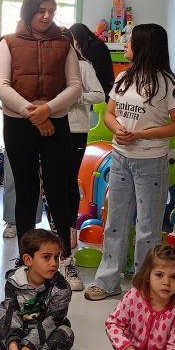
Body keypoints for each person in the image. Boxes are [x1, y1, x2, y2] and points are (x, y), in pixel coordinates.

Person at [85, 24, 175, 301]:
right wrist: (117, 129)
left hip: (151, 162)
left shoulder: (169, 82)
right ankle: (108, 282)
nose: (125, 45)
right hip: (120, 158)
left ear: (144, 46)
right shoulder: (124, 77)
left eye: (130, 41)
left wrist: (140, 135)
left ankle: (143, 288)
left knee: (147, 228)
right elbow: (109, 114)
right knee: (115, 222)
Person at [0, 0, 82, 290]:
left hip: (56, 122)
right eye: (41, 10)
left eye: (51, 11)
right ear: (29, 11)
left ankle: (66, 258)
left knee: (59, 190)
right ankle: (26, 261)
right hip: (19, 124)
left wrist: (48, 110)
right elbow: (1, 86)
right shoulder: (8, 42)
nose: (46, 16)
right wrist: (34, 113)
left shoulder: (65, 43)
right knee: (26, 191)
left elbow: (75, 86)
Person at [0, 228, 73, 350]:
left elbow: (52, 321)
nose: (54, 263)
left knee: (66, 334)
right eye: (46, 257)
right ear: (28, 260)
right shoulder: (14, 281)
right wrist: (13, 343)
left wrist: (29, 346)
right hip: (19, 331)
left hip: (44, 335)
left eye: (57, 257)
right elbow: (10, 313)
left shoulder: (61, 288)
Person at [67, 38, 105, 254]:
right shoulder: (49, 66)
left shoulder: (83, 66)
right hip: (51, 129)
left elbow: (99, 95)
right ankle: (57, 227)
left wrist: (75, 97)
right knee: (53, 182)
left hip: (76, 131)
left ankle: (70, 227)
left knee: (69, 180)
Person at [71, 22, 115, 99]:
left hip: (102, 86)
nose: (74, 42)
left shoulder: (95, 46)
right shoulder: (92, 44)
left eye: (74, 39)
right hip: (100, 85)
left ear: (79, 37)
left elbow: (91, 69)